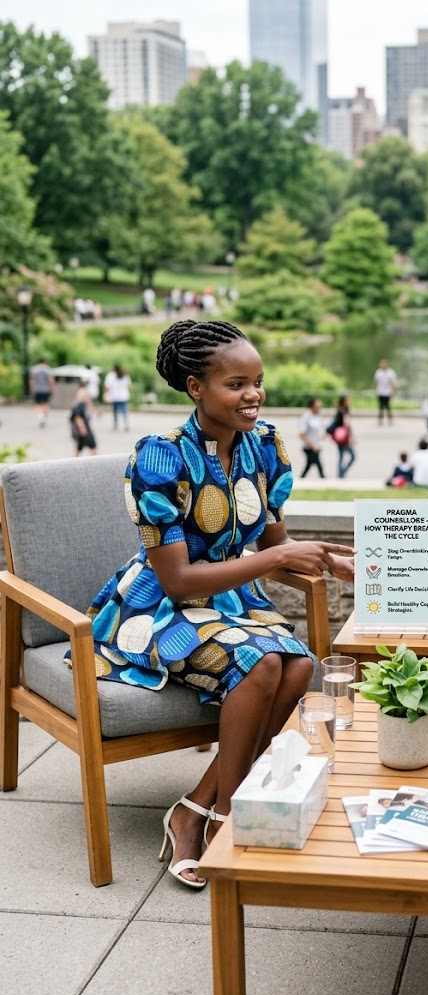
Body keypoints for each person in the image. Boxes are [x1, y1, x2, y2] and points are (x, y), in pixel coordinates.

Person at [72, 320, 355, 890]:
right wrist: (278, 561)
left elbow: (273, 537)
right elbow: (176, 579)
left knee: (300, 665)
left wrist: (323, 558)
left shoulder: (264, 444)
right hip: (158, 608)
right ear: (195, 387)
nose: (253, 394)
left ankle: (197, 808)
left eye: (258, 381)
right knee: (266, 662)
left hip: (229, 601)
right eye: (236, 384)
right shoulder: (159, 457)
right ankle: (230, 820)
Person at [326, 395, 356, 478]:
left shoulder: (346, 411)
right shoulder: (341, 412)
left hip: (345, 438)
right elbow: (343, 425)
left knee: (344, 456)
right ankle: (341, 473)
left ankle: (341, 473)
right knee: (347, 456)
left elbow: (348, 426)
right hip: (342, 438)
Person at [298, 397, 326, 478]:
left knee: (310, 464)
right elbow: (302, 433)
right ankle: (323, 478)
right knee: (316, 462)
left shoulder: (318, 416)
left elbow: (320, 429)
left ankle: (301, 479)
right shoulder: (307, 416)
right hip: (310, 446)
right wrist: (311, 444)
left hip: (317, 445)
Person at [69, 379, 98, 456]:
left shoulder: (79, 399)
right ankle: (94, 463)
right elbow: (78, 418)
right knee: (93, 446)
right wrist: (83, 429)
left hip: (84, 428)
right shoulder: (80, 404)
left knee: (80, 447)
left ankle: (73, 462)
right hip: (84, 429)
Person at [103, 363, 132, 432]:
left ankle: (115, 425)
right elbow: (129, 385)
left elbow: (107, 386)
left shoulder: (111, 375)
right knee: (124, 411)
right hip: (123, 396)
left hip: (114, 396)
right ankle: (126, 424)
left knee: (115, 411)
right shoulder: (125, 375)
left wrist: (105, 394)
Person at [28, 358, 54, 427]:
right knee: (46, 404)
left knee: (38, 404)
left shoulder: (34, 369)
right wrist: (52, 388)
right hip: (46, 390)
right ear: (45, 362)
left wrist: (32, 389)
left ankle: (40, 418)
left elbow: (32, 380)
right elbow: (51, 380)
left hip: (37, 390)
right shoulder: (48, 369)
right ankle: (44, 419)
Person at [374, 359, 397, 425]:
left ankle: (390, 419)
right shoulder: (378, 372)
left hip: (387, 392)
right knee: (381, 406)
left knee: (388, 406)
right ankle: (380, 420)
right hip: (380, 392)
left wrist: (392, 391)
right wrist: (376, 390)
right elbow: (376, 382)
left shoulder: (391, 372)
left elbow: (392, 383)